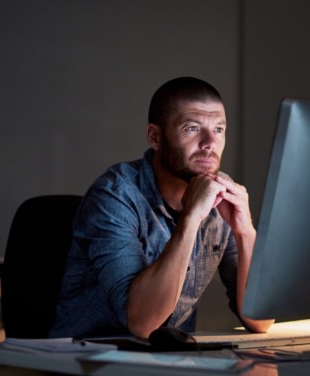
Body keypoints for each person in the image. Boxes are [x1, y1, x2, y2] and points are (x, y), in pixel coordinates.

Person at [49, 77, 274, 342]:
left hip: (169, 365)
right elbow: (143, 323)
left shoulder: (221, 197)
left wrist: (245, 231)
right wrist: (190, 220)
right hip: (86, 365)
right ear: (154, 137)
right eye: (192, 128)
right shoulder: (114, 196)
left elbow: (260, 320)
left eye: (219, 129)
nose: (210, 142)